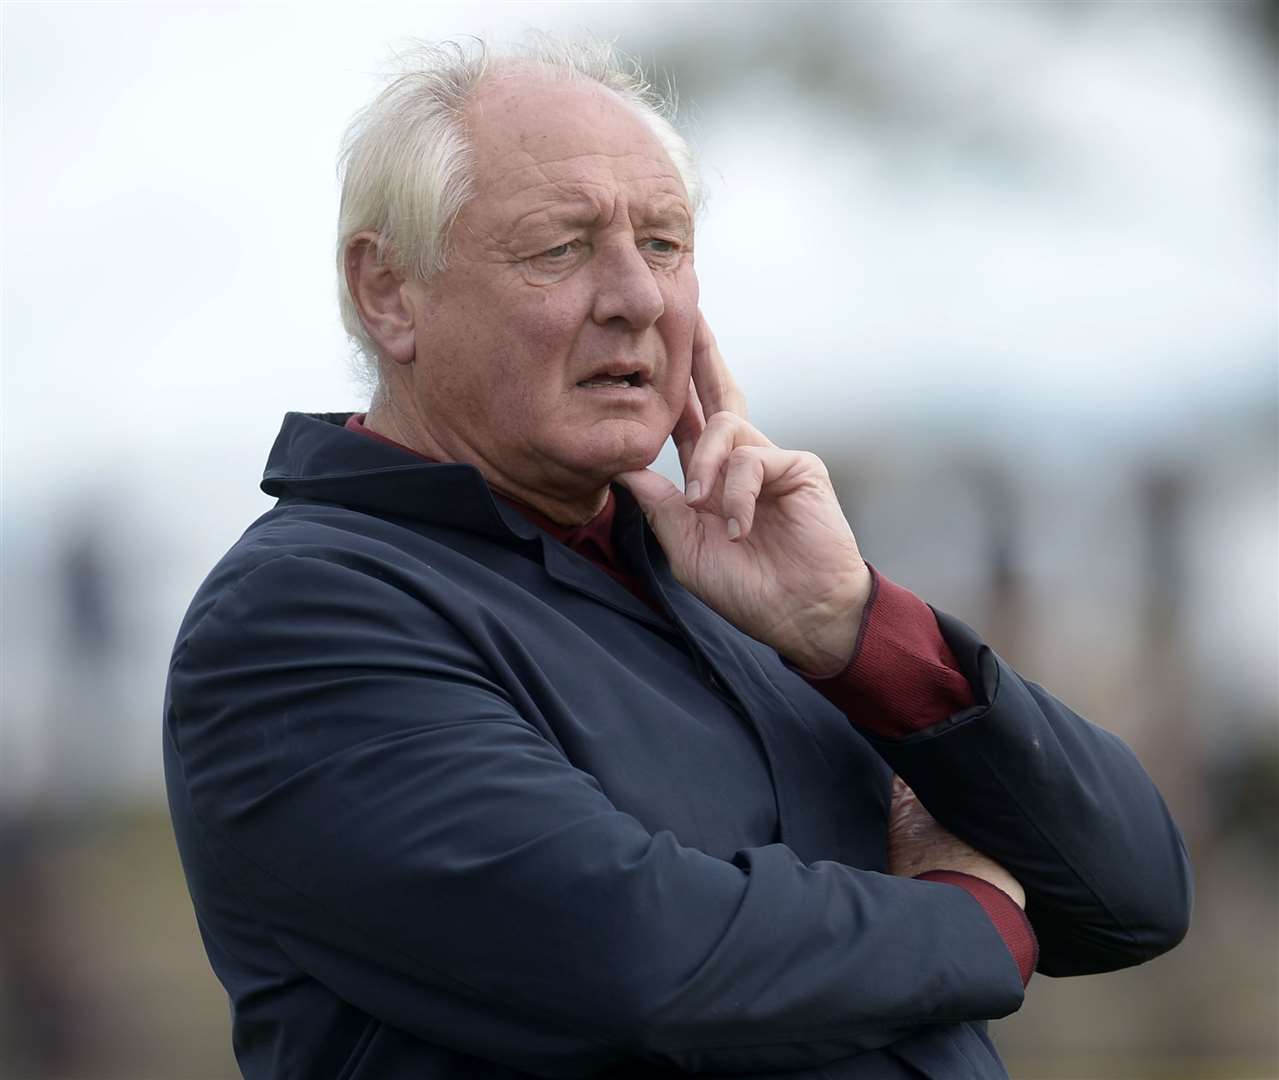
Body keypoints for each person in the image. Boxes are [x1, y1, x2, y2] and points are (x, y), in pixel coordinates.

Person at [163, 38, 1191, 1080]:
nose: (636, 299)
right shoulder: (299, 617)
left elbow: (1131, 895)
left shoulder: (729, 578)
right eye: (559, 248)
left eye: (663, 243)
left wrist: (850, 627)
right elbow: (641, 956)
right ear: (388, 293)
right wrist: (969, 920)